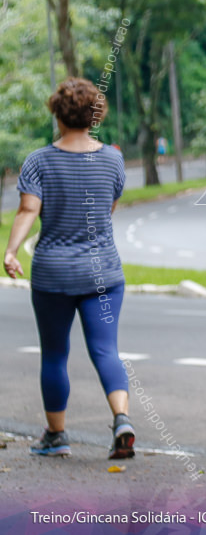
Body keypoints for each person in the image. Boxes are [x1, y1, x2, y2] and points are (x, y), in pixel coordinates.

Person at [4, 77, 135, 460]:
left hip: (53, 275)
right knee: (106, 351)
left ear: (57, 114)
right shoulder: (112, 158)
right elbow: (106, 212)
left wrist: (12, 251)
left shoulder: (39, 161)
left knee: (55, 355)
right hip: (104, 276)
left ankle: (57, 436)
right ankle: (122, 419)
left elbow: (29, 210)